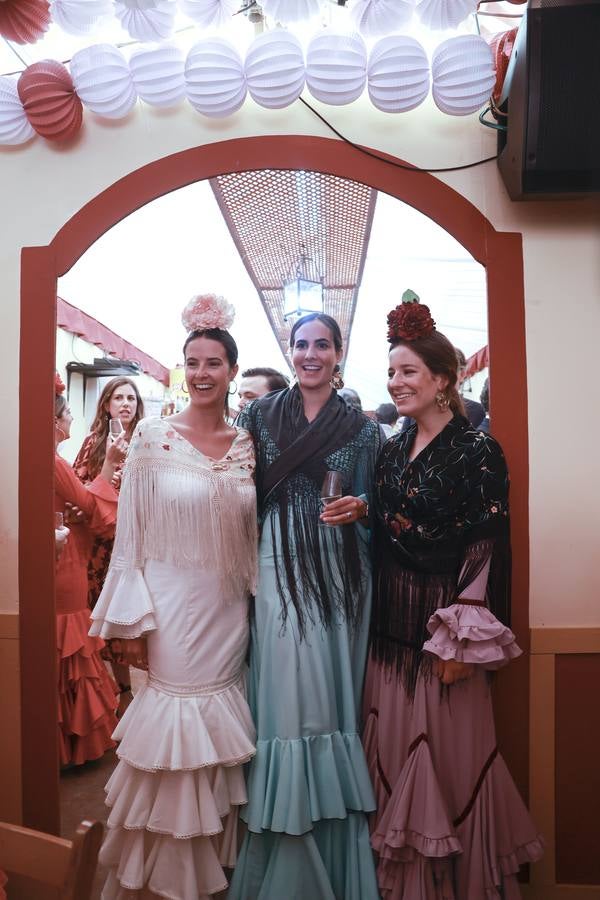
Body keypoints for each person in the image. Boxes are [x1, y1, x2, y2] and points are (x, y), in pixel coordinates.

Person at [362, 299, 543, 898]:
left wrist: (462, 641)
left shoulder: (477, 450)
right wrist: (363, 510)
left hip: (445, 630)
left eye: (409, 371)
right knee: (392, 752)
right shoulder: (391, 449)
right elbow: (389, 524)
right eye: (392, 372)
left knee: (449, 758)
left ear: (443, 379)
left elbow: (485, 543)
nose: (396, 382)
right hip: (390, 629)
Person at [89, 294, 258, 900]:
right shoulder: (152, 437)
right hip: (169, 610)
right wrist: (132, 623)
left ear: (232, 370)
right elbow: (130, 537)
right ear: (183, 369)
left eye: (214, 363)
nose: (203, 373)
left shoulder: (248, 443)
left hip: (229, 609)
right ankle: (165, 879)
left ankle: (215, 873)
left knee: (219, 736)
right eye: (193, 362)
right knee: (176, 729)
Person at [229, 312, 381, 900]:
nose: (311, 354)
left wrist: (362, 506)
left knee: (324, 693)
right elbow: (234, 492)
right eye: (301, 345)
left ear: (339, 352)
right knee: (283, 693)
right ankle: (281, 841)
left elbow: (381, 498)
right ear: (289, 351)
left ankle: (332, 845)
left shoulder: (364, 430)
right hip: (273, 563)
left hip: (338, 571)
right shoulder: (258, 415)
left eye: (322, 345)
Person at [54, 374, 126, 766]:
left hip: (71, 555)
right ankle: (70, 743)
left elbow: (82, 504)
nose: (71, 419)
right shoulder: (57, 462)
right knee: (72, 653)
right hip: (67, 563)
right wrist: (110, 463)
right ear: (56, 422)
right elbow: (87, 503)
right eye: (67, 414)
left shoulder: (54, 462)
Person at [74, 377, 145, 717]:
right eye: (118, 398)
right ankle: (108, 694)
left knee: (128, 614)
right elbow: (78, 487)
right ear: (106, 404)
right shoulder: (94, 441)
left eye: (131, 398)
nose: (125, 404)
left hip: (134, 540)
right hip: (100, 544)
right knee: (100, 617)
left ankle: (129, 692)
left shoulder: (147, 441)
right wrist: (106, 476)